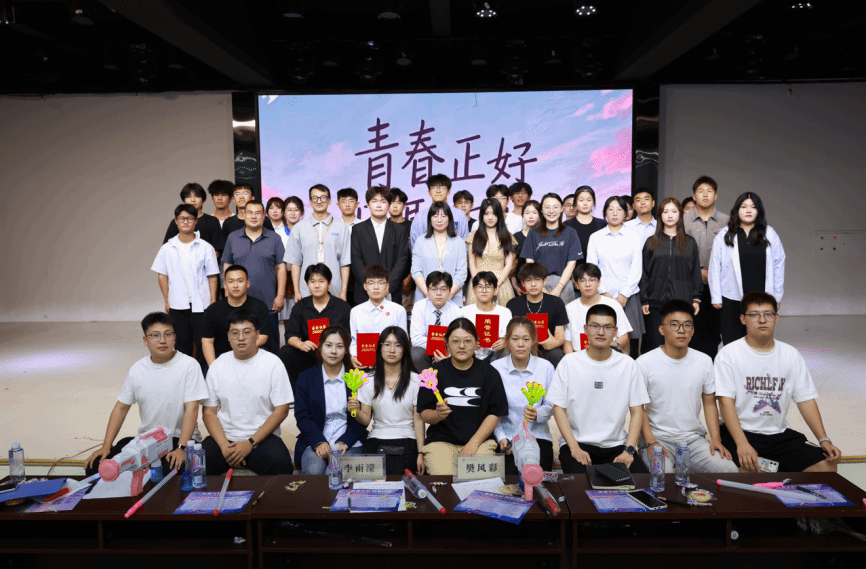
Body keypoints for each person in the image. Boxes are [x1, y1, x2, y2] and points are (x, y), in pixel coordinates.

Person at [716, 292, 841, 473]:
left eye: (768, 314)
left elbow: (806, 400)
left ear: (776, 318)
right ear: (743, 319)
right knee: (749, 470)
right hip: (741, 433)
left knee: (827, 466)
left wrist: (824, 439)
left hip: (779, 435)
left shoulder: (791, 355)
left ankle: (779, 476)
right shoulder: (729, 354)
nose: (762, 320)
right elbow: (725, 402)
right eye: (754, 315)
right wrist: (742, 444)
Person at [85, 313, 207, 477]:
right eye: (155, 335)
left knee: (173, 469)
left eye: (168, 334)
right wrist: (106, 445)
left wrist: (181, 447)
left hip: (179, 439)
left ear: (174, 338)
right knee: (95, 467)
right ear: (145, 340)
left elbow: (192, 409)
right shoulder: (137, 369)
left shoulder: (189, 365)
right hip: (148, 440)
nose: (162, 340)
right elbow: (121, 408)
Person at [637, 300, 738, 474]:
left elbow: (709, 403)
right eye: (674, 324)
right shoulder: (644, 363)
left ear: (692, 330)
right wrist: (651, 441)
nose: (681, 330)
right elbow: (638, 409)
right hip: (657, 438)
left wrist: (715, 438)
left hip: (692, 440)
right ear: (662, 329)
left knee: (729, 471)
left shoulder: (704, 361)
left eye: (687, 325)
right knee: (662, 476)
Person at [548, 304, 650, 474]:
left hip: (617, 445)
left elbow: (637, 411)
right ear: (585, 329)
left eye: (607, 327)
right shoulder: (569, 363)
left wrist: (629, 450)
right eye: (595, 326)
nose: (601, 332)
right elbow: (559, 409)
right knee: (579, 486)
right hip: (577, 443)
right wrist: (574, 448)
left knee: (642, 482)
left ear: (615, 331)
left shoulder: (628, 365)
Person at [201, 309, 294, 475]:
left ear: (257, 335)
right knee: (197, 465)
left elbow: (282, 410)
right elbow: (209, 412)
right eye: (235, 333)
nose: (241, 338)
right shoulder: (217, 365)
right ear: (228, 336)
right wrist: (224, 446)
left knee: (282, 466)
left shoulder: (273, 363)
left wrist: (250, 443)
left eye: (246, 332)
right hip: (225, 438)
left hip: (262, 438)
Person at [417, 318, 508, 475]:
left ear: (477, 343)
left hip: (480, 442)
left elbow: (494, 414)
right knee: (445, 481)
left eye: (467, 341)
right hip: (441, 442)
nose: (461, 346)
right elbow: (424, 414)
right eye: (455, 341)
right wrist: (437, 415)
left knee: (480, 482)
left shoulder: (490, 373)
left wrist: (474, 443)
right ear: (446, 343)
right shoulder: (433, 373)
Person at [710, 192, 786, 345]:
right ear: (737, 210)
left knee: (759, 339)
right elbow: (714, 266)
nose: (748, 210)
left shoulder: (769, 234)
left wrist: (777, 296)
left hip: (761, 297)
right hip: (731, 297)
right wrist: (716, 296)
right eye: (744, 207)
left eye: (753, 207)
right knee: (732, 340)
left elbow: (779, 265)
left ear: (759, 211)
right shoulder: (725, 235)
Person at [348, 327, 425, 475]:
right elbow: (365, 420)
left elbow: (418, 420)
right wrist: (355, 410)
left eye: (398, 345)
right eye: (387, 344)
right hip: (377, 438)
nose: (392, 350)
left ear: (405, 349)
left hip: (407, 438)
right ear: (380, 348)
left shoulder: (416, 380)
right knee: (369, 476)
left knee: (397, 474)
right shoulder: (367, 380)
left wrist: (421, 453)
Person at [151, 204, 219, 368]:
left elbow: (212, 275)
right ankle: (186, 377)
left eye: (190, 218)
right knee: (181, 346)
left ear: (196, 221)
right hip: (177, 305)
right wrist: (167, 300)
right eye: (182, 218)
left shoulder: (205, 247)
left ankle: (204, 377)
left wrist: (213, 302)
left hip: (202, 305)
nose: (186, 221)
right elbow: (162, 274)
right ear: (176, 221)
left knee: (204, 345)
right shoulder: (167, 248)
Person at [295, 326, 368, 474]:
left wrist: (344, 442)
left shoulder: (357, 377)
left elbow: (363, 419)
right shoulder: (305, 378)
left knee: (335, 474)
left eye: (339, 346)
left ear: (346, 350)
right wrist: (319, 441)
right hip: (315, 439)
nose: (333, 351)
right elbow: (302, 416)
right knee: (314, 472)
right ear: (320, 347)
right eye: (328, 345)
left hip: (349, 441)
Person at [491, 316, 555, 473]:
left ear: (534, 341)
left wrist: (538, 414)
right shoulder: (496, 368)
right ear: (507, 341)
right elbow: (491, 410)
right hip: (507, 438)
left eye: (526, 339)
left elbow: (551, 405)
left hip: (538, 436)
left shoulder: (546, 367)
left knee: (537, 478)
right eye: (515, 339)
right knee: (509, 481)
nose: (520, 344)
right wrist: (501, 436)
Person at [221, 199, 286, 354]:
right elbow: (227, 267)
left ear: (264, 216)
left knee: (270, 349)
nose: (254, 216)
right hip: (238, 304)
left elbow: (281, 268)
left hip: (268, 304)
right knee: (239, 347)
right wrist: (226, 293)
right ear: (244, 215)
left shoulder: (274, 238)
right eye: (250, 212)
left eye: (258, 213)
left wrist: (280, 296)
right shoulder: (233, 238)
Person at [639, 198, 702, 352]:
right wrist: (644, 299)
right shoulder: (651, 242)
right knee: (653, 346)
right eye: (665, 212)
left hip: (682, 302)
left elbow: (695, 273)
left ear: (680, 215)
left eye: (674, 211)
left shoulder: (690, 242)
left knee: (679, 346)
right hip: (654, 304)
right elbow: (645, 272)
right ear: (660, 215)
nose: (669, 215)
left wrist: (696, 298)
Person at [586, 196, 643, 358]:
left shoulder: (633, 236)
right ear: (605, 213)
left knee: (631, 344)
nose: (615, 213)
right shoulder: (596, 237)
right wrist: (604, 292)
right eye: (610, 209)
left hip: (629, 297)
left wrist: (624, 294)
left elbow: (636, 268)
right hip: (603, 296)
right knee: (602, 339)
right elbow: (592, 268)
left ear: (626, 213)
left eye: (619, 209)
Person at [279, 264, 351, 389]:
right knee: (285, 352)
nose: (317, 285)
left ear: (329, 283)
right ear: (307, 284)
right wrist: (301, 344)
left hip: (334, 354)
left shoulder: (342, 307)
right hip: (309, 354)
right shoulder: (300, 306)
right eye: (312, 282)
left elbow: (349, 337)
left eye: (321, 281)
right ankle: (298, 392)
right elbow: (290, 335)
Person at [683, 176, 728, 359]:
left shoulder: (726, 221)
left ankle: (711, 365)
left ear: (715, 196)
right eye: (701, 191)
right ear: (694, 196)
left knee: (713, 329)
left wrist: (713, 274)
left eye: (709, 191)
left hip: (718, 284)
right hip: (689, 283)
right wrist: (697, 273)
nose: (705, 195)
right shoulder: (683, 220)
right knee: (690, 326)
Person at [286, 184, 351, 301]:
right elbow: (295, 263)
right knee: (310, 314)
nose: (319, 201)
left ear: (329, 200)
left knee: (332, 314)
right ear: (310, 201)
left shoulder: (341, 227)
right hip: (306, 291)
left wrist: (343, 291)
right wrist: (297, 291)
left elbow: (345, 263)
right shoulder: (299, 228)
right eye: (315, 198)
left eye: (323, 197)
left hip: (334, 290)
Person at [350, 186, 410, 305]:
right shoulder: (358, 229)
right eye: (374, 201)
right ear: (368, 205)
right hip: (364, 293)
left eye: (383, 201)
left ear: (388, 205)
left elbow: (402, 260)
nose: (379, 205)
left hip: (391, 292)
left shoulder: (400, 230)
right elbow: (356, 260)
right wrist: (370, 286)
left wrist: (387, 287)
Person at [201, 265, 270, 366]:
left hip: (250, 353)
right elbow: (207, 341)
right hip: (222, 356)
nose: (235, 285)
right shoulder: (212, 310)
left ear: (248, 283)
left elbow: (263, 336)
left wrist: (241, 350)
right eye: (231, 281)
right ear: (225, 285)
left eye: (240, 281)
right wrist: (214, 367)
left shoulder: (260, 307)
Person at [521, 193, 583, 303]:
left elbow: (572, 264)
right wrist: (541, 288)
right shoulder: (533, 233)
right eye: (547, 207)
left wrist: (559, 287)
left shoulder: (570, 232)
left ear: (562, 208)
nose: (551, 211)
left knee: (564, 313)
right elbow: (530, 263)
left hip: (564, 284)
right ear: (541, 210)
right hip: (538, 284)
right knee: (538, 314)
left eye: (555, 207)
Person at [506, 263, 567, 367]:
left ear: (544, 281)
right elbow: (510, 335)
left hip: (547, 349)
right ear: (523, 283)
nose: (533, 284)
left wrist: (554, 343)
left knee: (556, 354)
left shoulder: (556, 303)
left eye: (537, 279)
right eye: (528, 280)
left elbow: (560, 338)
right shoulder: (513, 304)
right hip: (522, 348)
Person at [349, 265, 408, 368]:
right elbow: (354, 340)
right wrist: (353, 356)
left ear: (387, 286)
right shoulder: (356, 311)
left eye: (380, 282)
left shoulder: (398, 310)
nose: (376, 287)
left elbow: (403, 339)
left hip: (391, 363)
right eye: (371, 283)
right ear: (365, 286)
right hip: (364, 363)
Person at [564, 263, 631, 354]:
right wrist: (570, 361)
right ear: (576, 284)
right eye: (583, 280)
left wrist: (610, 344)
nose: (588, 284)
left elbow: (624, 337)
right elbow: (568, 342)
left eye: (592, 280)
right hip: (579, 356)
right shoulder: (569, 309)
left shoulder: (613, 305)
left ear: (598, 282)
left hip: (608, 353)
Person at [411, 201, 467, 306]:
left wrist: (448, 295)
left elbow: (462, 272)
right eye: (435, 216)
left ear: (449, 218)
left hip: (452, 299)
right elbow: (416, 271)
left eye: (443, 216)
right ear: (430, 219)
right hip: (425, 299)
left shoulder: (459, 242)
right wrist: (429, 294)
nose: (439, 220)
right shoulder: (420, 241)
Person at [466, 198, 517, 306]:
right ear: (482, 215)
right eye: (486, 213)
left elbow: (509, 264)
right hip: (479, 283)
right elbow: (472, 263)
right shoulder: (474, 236)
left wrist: (496, 285)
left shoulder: (507, 236)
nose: (490, 217)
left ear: (499, 215)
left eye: (494, 213)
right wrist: (479, 284)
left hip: (501, 283)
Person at [409, 271, 462, 371]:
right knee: (416, 354)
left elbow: (457, 340)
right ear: (428, 290)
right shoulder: (419, 307)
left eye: (443, 289)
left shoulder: (457, 312)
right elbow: (416, 339)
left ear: (450, 290)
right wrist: (439, 345)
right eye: (434, 289)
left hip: (448, 352)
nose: (438, 293)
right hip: (424, 349)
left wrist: (446, 351)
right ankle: (426, 379)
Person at [459, 272, 512, 362]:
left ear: (495, 290)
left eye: (488, 287)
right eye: (480, 287)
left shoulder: (504, 312)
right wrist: (468, 343)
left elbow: (510, 336)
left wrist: (505, 342)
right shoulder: (464, 312)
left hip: (496, 358)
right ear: (474, 289)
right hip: (470, 357)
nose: (484, 290)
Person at [410, 174, 470, 249]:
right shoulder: (419, 217)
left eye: (442, 187)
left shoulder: (460, 215)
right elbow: (414, 245)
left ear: (448, 191)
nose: (438, 191)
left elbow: (465, 242)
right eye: (434, 187)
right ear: (429, 192)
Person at [163, 183, 225, 253]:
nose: (193, 200)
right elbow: (167, 248)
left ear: (203, 200)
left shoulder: (212, 221)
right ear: (183, 200)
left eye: (197, 196)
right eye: (188, 196)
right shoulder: (177, 222)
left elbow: (217, 250)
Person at [278, 197, 305, 326]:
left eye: (296, 210)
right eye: (289, 210)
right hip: (286, 280)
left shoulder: (309, 232)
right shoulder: (278, 235)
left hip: (305, 279)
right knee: (288, 320)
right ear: (283, 212)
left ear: (302, 212)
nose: (293, 213)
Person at [564, 186, 606, 265]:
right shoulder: (566, 225)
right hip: (573, 270)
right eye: (581, 200)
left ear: (593, 202)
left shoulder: (602, 224)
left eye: (589, 200)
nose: (585, 203)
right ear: (575, 202)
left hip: (597, 269)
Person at [511, 199, 540, 296]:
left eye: (534, 213)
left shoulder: (545, 236)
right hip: (521, 284)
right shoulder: (517, 237)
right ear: (523, 215)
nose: (530, 216)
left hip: (542, 283)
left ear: (540, 215)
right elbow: (513, 265)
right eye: (527, 213)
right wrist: (515, 286)